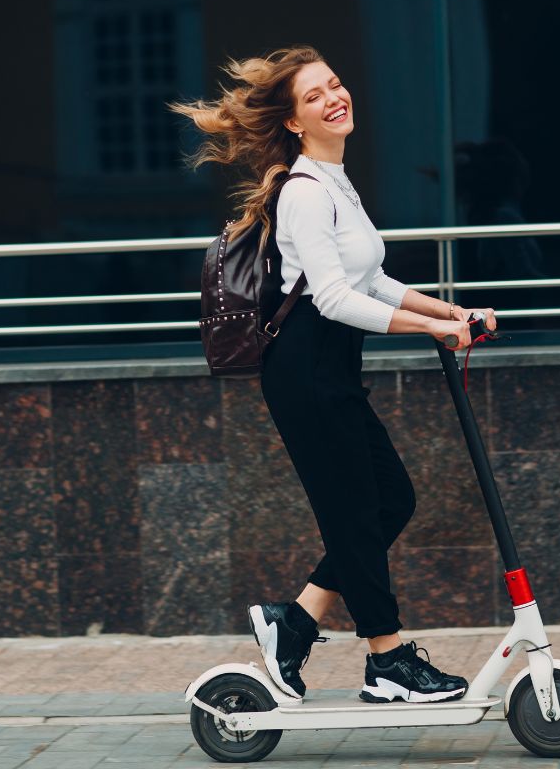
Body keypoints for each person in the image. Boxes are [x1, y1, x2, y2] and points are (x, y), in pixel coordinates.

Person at [172, 46, 497, 704]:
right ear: (294, 121)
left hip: (332, 370)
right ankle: (388, 659)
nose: (335, 98)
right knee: (354, 515)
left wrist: (453, 310)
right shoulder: (301, 193)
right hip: (306, 373)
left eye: (336, 85)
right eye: (316, 95)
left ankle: (293, 624)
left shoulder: (335, 180)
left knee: (389, 501)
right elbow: (333, 298)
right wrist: (435, 331)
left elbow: (371, 279)